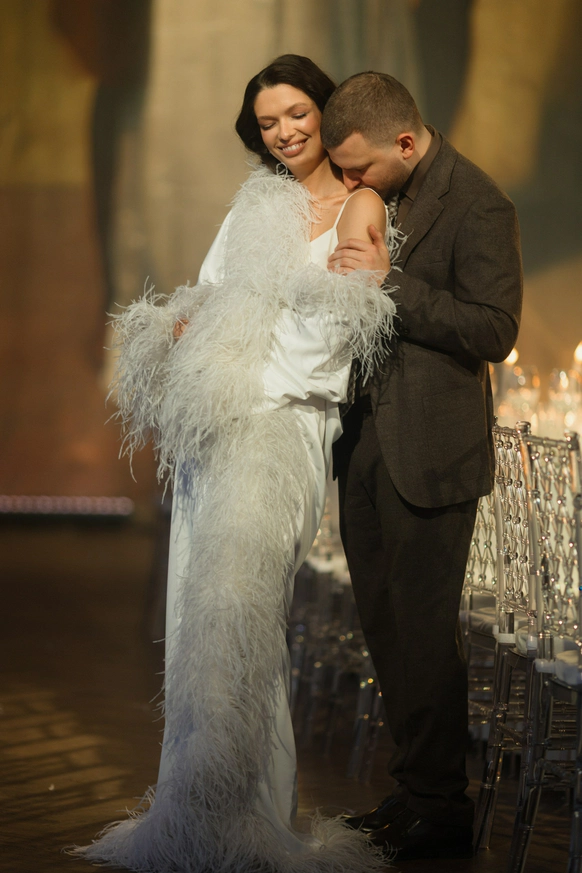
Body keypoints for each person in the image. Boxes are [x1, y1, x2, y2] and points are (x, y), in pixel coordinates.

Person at [74, 56, 400, 873]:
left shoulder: (360, 204)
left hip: (282, 428)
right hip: (218, 427)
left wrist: (248, 353)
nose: (284, 132)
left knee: (248, 618)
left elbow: (342, 329)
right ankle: (199, 812)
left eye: (297, 113)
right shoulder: (258, 202)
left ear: (326, 109)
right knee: (198, 619)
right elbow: (211, 292)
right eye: (267, 123)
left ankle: (255, 817)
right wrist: (189, 325)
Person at [319, 72, 523, 861]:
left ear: (405, 142)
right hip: (365, 442)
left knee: (427, 634)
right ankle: (413, 791)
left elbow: (495, 328)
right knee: (385, 625)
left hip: (433, 450)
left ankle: (442, 808)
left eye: (359, 169)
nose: (350, 185)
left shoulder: (479, 202)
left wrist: (389, 284)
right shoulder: (382, 188)